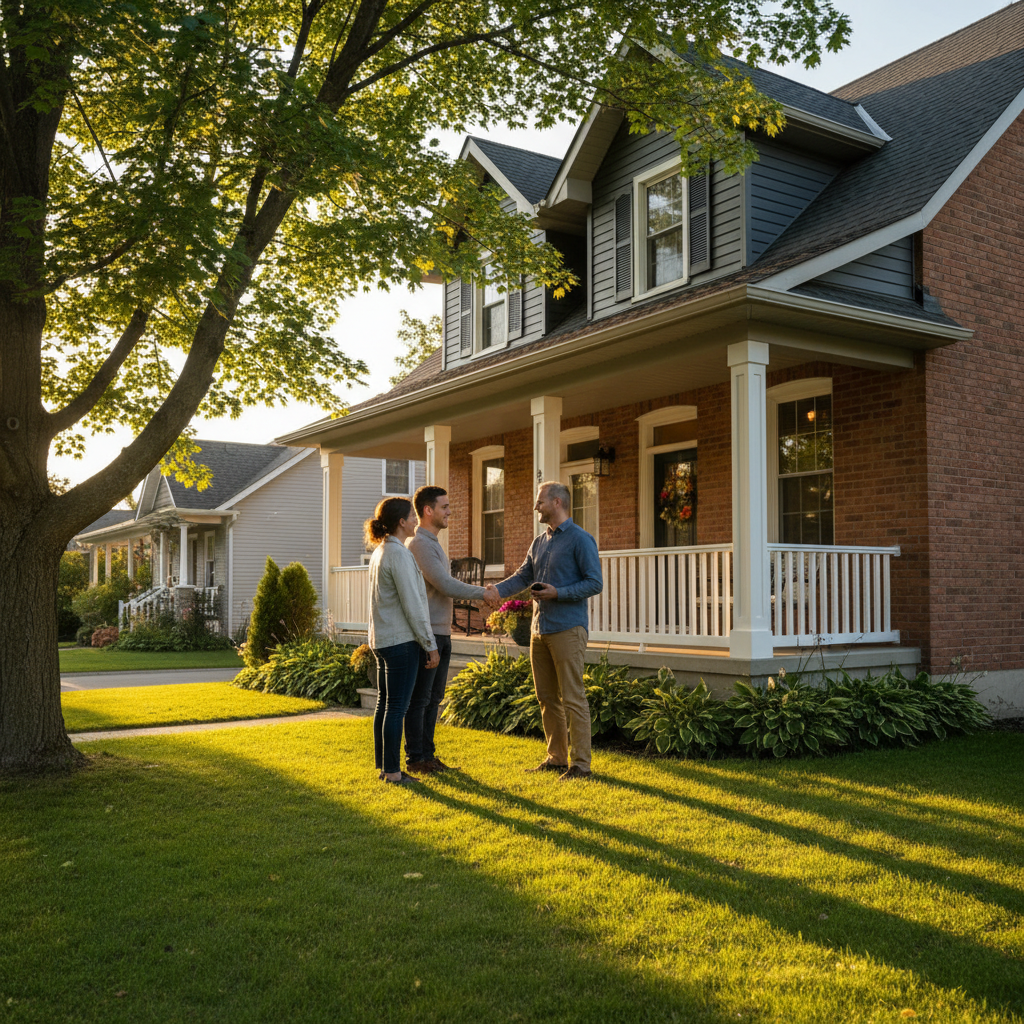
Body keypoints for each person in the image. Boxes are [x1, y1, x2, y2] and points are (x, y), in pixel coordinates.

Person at [493, 480, 603, 780]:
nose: (535, 506)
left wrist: (558, 593)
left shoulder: (581, 540)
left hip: (568, 628)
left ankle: (581, 765)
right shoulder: (539, 541)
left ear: (557, 502)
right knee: (546, 697)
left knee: (573, 697)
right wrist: (494, 591)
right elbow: (523, 576)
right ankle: (556, 758)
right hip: (539, 629)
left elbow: (595, 582)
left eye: (540, 501)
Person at [405, 486, 500, 774]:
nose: (450, 512)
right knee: (421, 699)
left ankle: (428, 756)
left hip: (441, 631)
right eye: (444, 507)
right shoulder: (419, 544)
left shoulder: (431, 542)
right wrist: (482, 592)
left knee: (433, 699)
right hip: (428, 634)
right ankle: (416, 759)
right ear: (428, 510)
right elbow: (444, 584)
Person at [365, 496, 439, 786]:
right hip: (399, 642)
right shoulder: (397, 554)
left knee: (385, 704)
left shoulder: (380, 552)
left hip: (382, 640)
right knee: (396, 707)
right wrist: (429, 643)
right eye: (412, 516)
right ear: (401, 522)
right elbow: (413, 604)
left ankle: (385, 766)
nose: (416, 521)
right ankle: (394, 772)